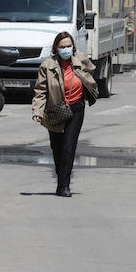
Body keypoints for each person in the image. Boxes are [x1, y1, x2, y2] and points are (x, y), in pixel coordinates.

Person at [32, 32, 98, 197]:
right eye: (62, 47)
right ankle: (61, 180)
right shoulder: (47, 66)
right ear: (56, 48)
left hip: (76, 108)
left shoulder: (80, 59)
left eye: (68, 46)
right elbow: (41, 91)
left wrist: (88, 87)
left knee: (69, 146)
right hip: (56, 110)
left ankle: (64, 186)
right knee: (57, 148)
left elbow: (91, 70)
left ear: (73, 47)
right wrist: (38, 112)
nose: (66, 49)